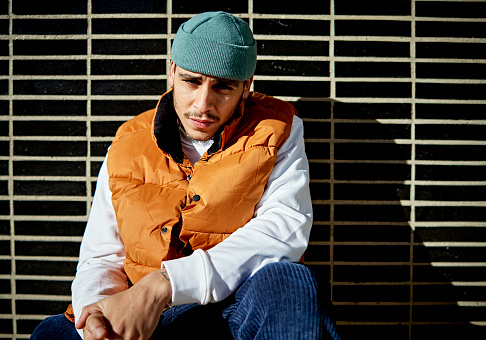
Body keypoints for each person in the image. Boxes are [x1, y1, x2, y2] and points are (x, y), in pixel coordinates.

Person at [30, 11, 340, 340]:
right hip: (152, 316)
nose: (203, 105)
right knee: (52, 333)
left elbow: (284, 231)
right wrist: (97, 316)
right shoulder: (128, 142)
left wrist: (166, 282)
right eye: (192, 81)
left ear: (246, 88)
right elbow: (102, 255)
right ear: (172, 72)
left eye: (223, 87)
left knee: (291, 284)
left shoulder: (276, 127)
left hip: (232, 307)